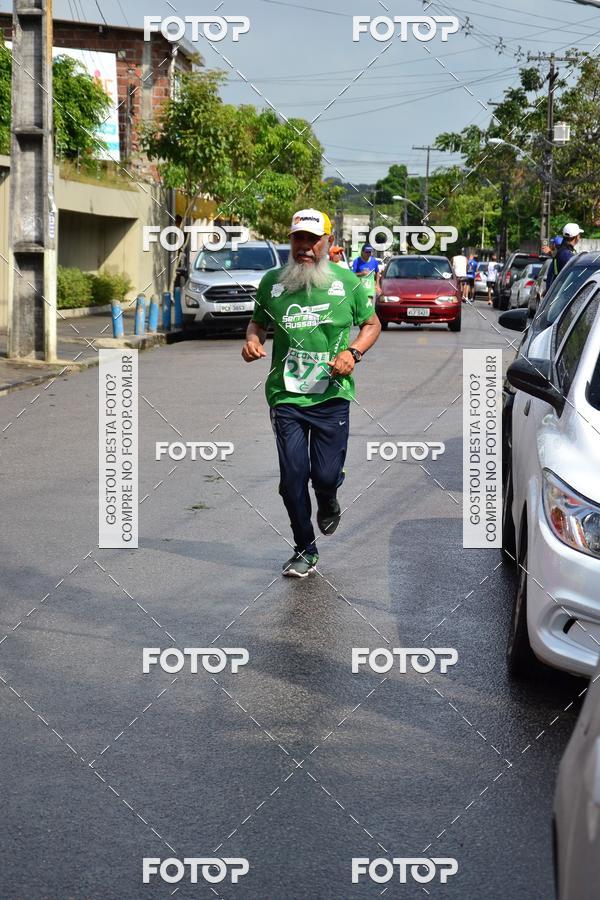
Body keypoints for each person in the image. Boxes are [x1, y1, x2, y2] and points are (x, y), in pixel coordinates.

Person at [241, 209, 382, 577]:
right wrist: (252, 341)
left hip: (331, 395)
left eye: (312, 239)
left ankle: (329, 494)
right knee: (292, 479)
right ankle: (305, 548)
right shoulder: (273, 282)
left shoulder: (348, 283)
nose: (304, 246)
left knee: (324, 476)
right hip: (286, 395)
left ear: (328, 243)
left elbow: (372, 324)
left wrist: (353, 353)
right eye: (298, 238)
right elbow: (257, 323)